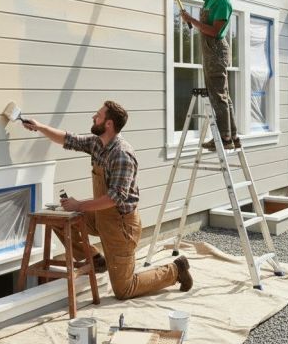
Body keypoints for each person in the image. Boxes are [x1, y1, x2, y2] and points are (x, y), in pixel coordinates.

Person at [21, 101, 193, 299]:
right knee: (59, 220)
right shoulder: (97, 144)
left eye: (98, 115)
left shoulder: (121, 155)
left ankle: (175, 270)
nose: (93, 118)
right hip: (100, 216)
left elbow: (115, 198)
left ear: (108, 124)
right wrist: (39, 127)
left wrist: (79, 205)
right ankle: (96, 260)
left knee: (124, 289)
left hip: (120, 226)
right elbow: (68, 139)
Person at [157, 0, 240, 149]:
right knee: (222, 95)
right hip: (210, 50)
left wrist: (190, 19)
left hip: (216, 51)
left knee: (217, 95)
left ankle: (225, 139)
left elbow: (214, 31)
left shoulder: (223, 3)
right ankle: (232, 137)